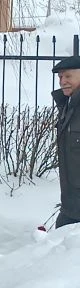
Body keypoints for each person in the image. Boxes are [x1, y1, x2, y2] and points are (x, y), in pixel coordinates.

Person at [52, 56, 80, 227]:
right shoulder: (68, 106)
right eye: (60, 77)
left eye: (68, 76)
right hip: (71, 205)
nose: (62, 81)